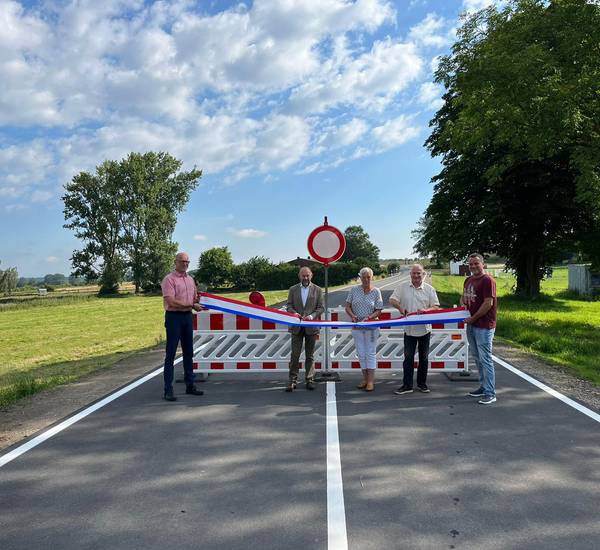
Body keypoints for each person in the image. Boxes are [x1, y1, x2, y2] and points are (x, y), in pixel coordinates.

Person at [389, 264, 440, 395]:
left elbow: (436, 307)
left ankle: (422, 384)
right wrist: (401, 309)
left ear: (423, 274)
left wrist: (426, 310)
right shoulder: (403, 287)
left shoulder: (429, 289)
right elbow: (392, 300)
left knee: (424, 358)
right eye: (414, 273)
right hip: (409, 329)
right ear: (410, 274)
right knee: (408, 358)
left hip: (425, 329)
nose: (416, 276)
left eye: (419, 273)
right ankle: (407, 385)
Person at [161, 252, 204, 402]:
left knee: (188, 352)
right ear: (176, 262)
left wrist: (197, 300)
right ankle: (168, 389)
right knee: (171, 353)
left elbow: (194, 298)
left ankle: (190, 384)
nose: (185, 264)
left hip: (187, 316)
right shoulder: (169, 279)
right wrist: (192, 304)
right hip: (174, 317)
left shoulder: (191, 280)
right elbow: (171, 302)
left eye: (187, 262)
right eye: (182, 261)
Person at [461, 253, 497, 405]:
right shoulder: (468, 280)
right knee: (476, 357)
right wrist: (462, 306)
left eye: (476, 263)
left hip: (484, 325)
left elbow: (488, 303)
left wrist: (473, 318)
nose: (474, 266)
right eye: (471, 264)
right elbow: (463, 297)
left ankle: (490, 392)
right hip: (471, 324)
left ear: (483, 264)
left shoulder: (488, 280)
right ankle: (483, 387)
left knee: (485, 358)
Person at [285, 267, 324, 392]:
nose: (305, 278)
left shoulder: (318, 290)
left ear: (311, 275)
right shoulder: (293, 289)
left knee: (310, 356)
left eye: (307, 275)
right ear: (299, 276)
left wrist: (311, 316)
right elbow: (289, 305)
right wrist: (295, 314)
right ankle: (292, 381)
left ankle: (310, 379)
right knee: (295, 355)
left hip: (311, 327)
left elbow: (320, 308)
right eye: (303, 276)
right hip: (296, 326)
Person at [345, 267, 383, 391]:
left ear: (371, 277)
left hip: (371, 326)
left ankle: (371, 381)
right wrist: (353, 315)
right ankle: (365, 379)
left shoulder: (376, 291)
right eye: (363, 277)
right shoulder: (354, 290)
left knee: (370, 353)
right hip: (357, 326)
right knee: (361, 353)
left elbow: (378, 310)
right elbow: (347, 306)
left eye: (368, 277)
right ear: (360, 278)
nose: (366, 279)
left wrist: (370, 317)